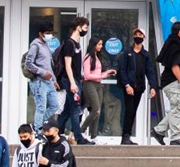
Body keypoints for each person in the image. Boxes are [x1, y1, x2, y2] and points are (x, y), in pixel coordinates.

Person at [151, 21, 180, 146]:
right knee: (178, 107)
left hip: (172, 82)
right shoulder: (176, 46)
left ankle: (159, 131)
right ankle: (175, 137)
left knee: (177, 108)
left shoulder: (174, 44)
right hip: (174, 82)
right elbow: (175, 65)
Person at [118, 27, 158, 145]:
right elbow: (122, 70)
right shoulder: (127, 52)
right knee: (129, 111)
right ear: (133, 37)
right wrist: (127, 85)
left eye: (140, 35)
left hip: (139, 87)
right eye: (136, 35)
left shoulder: (146, 55)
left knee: (133, 111)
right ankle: (125, 136)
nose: (138, 37)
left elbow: (149, 71)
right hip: (129, 87)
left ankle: (127, 136)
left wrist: (153, 86)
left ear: (144, 38)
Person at [56, 16, 92, 145]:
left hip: (76, 80)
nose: (86, 30)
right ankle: (78, 137)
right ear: (78, 27)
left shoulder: (77, 44)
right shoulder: (69, 44)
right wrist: (72, 83)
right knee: (76, 109)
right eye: (85, 27)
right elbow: (67, 65)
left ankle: (56, 133)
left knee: (66, 109)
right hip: (70, 80)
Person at [25, 22, 60, 134]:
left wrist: (54, 80)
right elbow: (28, 63)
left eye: (51, 33)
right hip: (39, 82)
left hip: (49, 82)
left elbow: (48, 66)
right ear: (40, 34)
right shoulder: (35, 45)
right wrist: (42, 72)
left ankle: (36, 124)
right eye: (47, 33)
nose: (50, 35)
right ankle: (38, 131)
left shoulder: (46, 45)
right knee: (41, 107)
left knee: (55, 105)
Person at [80, 37, 117, 141]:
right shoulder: (88, 57)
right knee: (96, 110)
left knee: (98, 111)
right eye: (99, 44)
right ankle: (81, 130)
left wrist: (107, 72)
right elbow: (87, 75)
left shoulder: (97, 56)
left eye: (101, 44)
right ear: (94, 45)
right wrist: (102, 76)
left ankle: (94, 136)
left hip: (98, 84)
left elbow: (97, 73)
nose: (101, 46)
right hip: (89, 84)